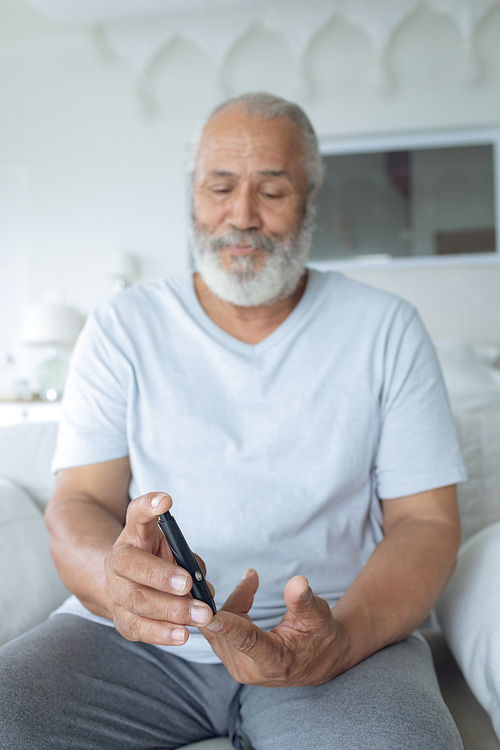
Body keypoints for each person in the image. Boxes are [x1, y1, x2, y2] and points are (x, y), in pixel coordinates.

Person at [0, 92, 467, 750]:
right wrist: (116, 584)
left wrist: (341, 642)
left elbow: (427, 523)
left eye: (272, 191)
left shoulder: (386, 328)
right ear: (193, 196)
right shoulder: (122, 325)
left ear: (310, 200)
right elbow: (78, 504)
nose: (241, 216)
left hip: (339, 641)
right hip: (133, 646)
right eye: (220, 187)